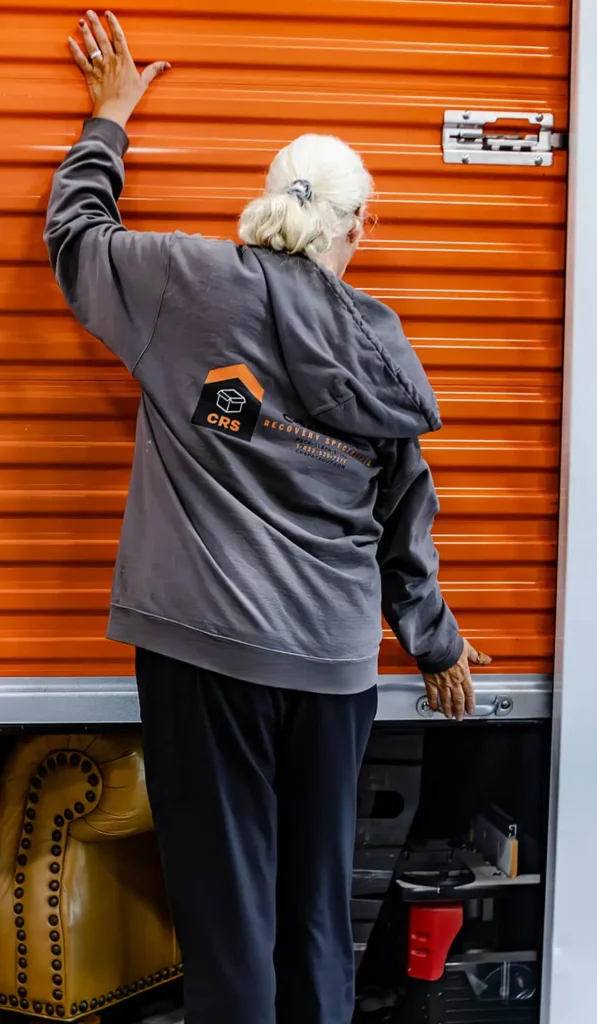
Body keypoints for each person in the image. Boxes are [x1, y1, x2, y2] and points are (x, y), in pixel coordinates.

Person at [45, 12, 491, 1024]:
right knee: (314, 914)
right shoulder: (382, 347)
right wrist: (434, 643)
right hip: (332, 669)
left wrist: (110, 120)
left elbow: (74, 239)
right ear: (359, 226)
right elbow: (403, 514)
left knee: (230, 917)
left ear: (265, 194)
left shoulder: (186, 283)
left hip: (208, 656)